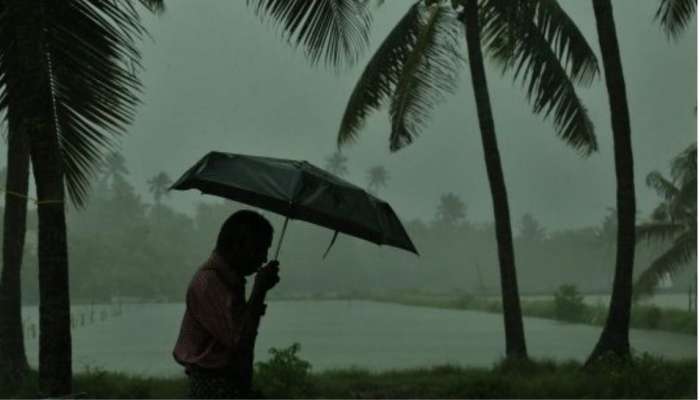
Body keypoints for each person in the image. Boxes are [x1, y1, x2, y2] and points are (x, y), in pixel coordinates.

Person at [173, 210, 281, 398]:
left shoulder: (230, 282)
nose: (263, 258)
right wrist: (259, 291)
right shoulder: (209, 283)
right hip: (213, 388)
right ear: (237, 246)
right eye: (259, 249)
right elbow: (239, 340)